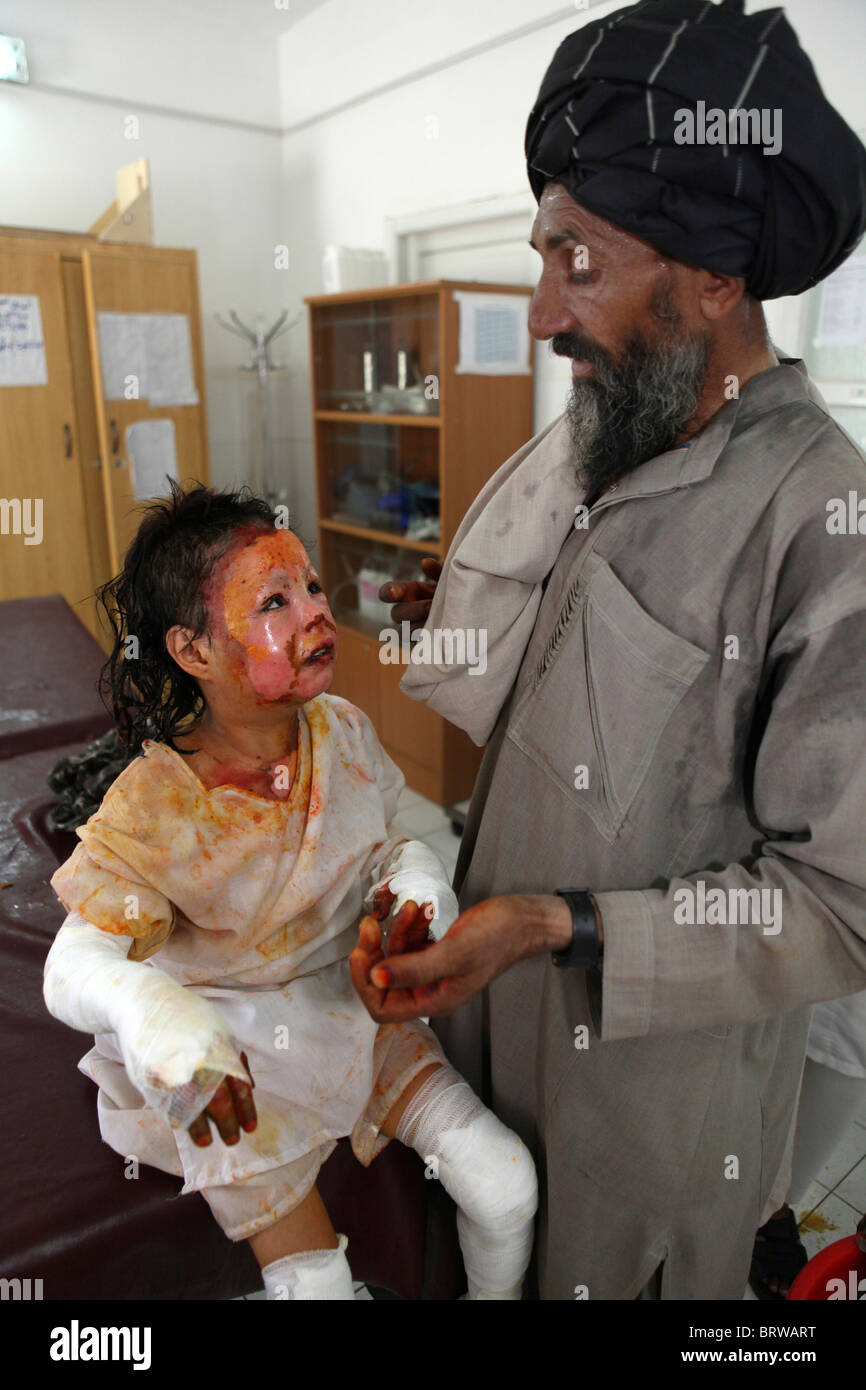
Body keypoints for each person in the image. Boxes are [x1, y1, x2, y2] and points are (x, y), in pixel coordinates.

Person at [351, 0, 866, 1299]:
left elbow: (838, 908)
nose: (537, 314)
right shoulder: (603, 428)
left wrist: (552, 922)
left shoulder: (819, 523)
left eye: (574, 259)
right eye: (541, 255)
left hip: (643, 1102)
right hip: (477, 1023)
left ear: (715, 271)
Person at [43, 483, 537, 1301]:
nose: (315, 612)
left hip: (347, 1012)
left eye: (310, 585)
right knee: (317, 1288)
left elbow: (390, 840)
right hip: (228, 1066)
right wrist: (158, 1018)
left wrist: (413, 887)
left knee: (505, 1184)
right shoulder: (157, 805)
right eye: (275, 600)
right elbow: (71, 968)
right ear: (193, 650)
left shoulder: (341, 731)